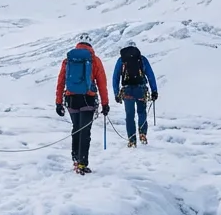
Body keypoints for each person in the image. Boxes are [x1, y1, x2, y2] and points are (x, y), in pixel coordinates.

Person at [55, 35, 110, 174]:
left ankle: (75, 158)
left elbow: (61, 81)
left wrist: (58, 102)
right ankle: (82, 163)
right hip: (88, 100)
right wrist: (105, 103)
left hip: (71, 99)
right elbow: (102, 84)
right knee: (85, 131)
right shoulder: (95, 60)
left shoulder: (68, 60)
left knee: (76, 128)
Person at [113, 41, 159, 147]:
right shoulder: (142, 59)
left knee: (129, 115)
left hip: (127, 91)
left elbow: (115, 77)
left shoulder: (121, 60)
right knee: (142, 112)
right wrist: (154, 91)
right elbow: (150, 75)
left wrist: (116, 93)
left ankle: (131, 139)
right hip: (141, 90)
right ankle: (142, 133)